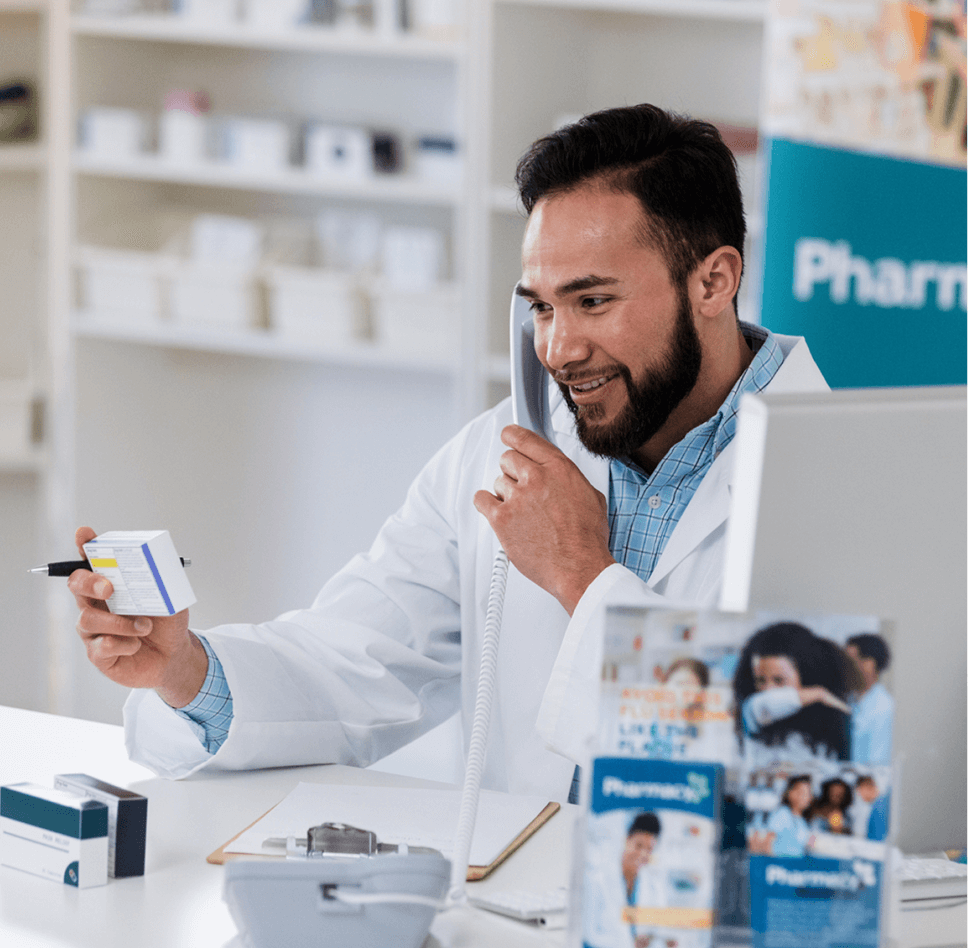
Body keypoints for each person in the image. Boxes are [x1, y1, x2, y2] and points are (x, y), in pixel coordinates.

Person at [68, 104, 829, 798]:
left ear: (714, 281)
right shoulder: (498, 454)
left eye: (594, 301)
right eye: (540, 307)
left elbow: (793, 773)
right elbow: (358, 661)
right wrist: (187, 671)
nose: (558, 350)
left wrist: (580, 577)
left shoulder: (849, 483)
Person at [733, 622, 862, 769]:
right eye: (761, 680)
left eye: (779, 680)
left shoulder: (827, 726)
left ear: (807, 678)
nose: (768, 690)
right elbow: (766, 703)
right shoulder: (752, 712)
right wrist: (819, 693)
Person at [845, 633, 894, 765]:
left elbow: (877, 763)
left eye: (854, 660)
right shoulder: (848, 699)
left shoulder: (884, 707)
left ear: (873, 662)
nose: (848, 667)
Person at [752, 775, 814, 857]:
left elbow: (805, 846)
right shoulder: (783, 814)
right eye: (801, 793)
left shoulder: (803, 821)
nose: (805, 797)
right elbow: (768, 842)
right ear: (790, 793)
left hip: (796, 867)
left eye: (808, 793)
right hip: (779, 866)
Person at [622, 812, 662, 904]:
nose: (642, 854)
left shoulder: (653, 887)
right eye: (638, 845)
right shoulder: (601, 880)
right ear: (627, 840)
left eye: (649, 849)